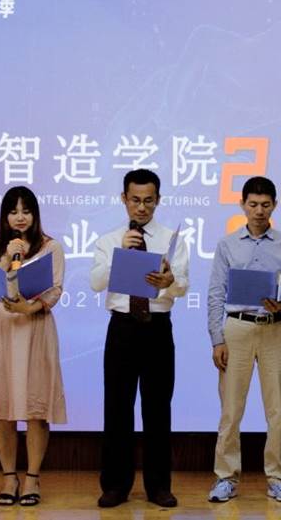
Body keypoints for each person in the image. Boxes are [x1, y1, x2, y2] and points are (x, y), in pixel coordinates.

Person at [90, 169, 190, 508]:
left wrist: (170, 283)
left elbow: (183, 285)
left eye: (148, 200)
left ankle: (159, 486)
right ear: (124, 199)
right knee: (117, 407)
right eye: (135, 200)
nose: (142, 207)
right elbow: (96, 282)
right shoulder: (109, 239)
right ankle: (115, 486)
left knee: (157, 408)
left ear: (158, 200)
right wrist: (120, 253)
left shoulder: (171, 239)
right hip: (122, 328)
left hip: (157, 328)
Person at [205, 176, 281, 504]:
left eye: (265, 204)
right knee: (231, 409)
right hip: (237, 329)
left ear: (274, 205)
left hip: (275, 328)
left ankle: (278, 478)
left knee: (277, 409)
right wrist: (217, 339)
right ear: (242, 205)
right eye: (253, 204)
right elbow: (216, 294)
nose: (259, 211)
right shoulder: (227, 244)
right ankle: (226, 477)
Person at [0, 186, 67, 507]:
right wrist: (8, 260)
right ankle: (9, 477)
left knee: (36, 407)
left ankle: (33, 478)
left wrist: (29, 307)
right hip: (2, 327)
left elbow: (55, 290)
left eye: (26, 211)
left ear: (35, 214)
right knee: (4, 408)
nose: (20, 217)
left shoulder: (50, 247)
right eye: (13, 211)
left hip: (34, 325)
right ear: (5, 216)